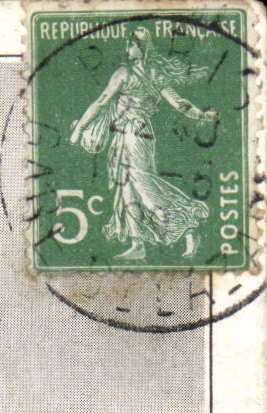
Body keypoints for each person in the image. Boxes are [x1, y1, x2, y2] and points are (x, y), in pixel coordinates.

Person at [69, 27, 216, 260]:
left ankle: (189, 223)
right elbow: (180, 104)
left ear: (142, 48)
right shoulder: (152, 74)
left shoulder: (125, 74)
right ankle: (138, 244)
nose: (127, 49)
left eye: (131, 45)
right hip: (126, 135)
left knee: (144, 188)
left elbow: (101, 102)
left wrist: (78, 129)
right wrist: (201, 115)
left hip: (135, 137)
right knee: (126, 189)